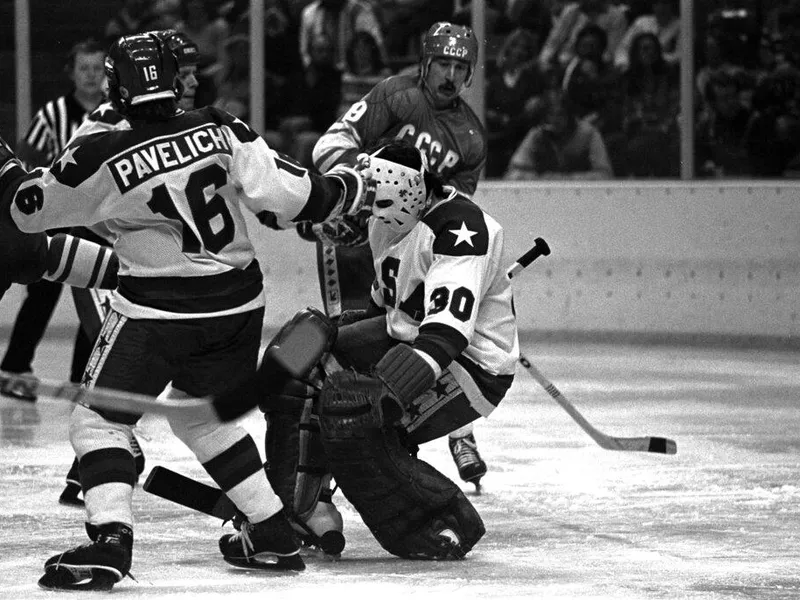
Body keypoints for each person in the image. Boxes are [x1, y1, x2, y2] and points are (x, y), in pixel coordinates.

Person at [2, 32, 370, 590]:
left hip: (154, 308)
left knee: (97, 419)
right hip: (239, 303)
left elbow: (28, 214)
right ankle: (271, 530)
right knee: (199, 415)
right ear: (174, 81)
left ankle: (110, 540)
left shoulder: (98, 145)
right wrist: (345, 188)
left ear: (116, 85)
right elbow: (293, 196)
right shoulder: (220, 125)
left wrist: (3, 164)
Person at [264, 139, 518, 560]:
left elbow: (446, 336)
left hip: (473, 366)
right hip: (409, 337)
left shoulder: (463, 230)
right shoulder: (387, 220)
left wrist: (383, 392)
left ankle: (441, 520)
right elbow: (387, 312)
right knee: (297, 362)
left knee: (355, 417)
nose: (366, 213)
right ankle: (296, 504)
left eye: (375, 202)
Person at [307, 21, 491, 488]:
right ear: (426, 64)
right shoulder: (394, 95)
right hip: (356, 240)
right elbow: (332, 144)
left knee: (427, 331)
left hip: (410, 247)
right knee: (343, 349)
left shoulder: (470, 136)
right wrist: (355, 195)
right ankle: (328, 462)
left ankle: (456, 429)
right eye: (443, 64)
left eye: (460, 67)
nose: (450, 75)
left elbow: (456, 208)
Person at [56, 29, 201, 509]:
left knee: (122, 374)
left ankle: (92, 469)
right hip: (107, 261)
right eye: (185, 71)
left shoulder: (181, 121)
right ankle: (110, 462)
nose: (194, 80)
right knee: (118, 377)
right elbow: (66, 187)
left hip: (147, 270)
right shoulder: (108, 122)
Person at [0, 39, 106, 403]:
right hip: (55, 220)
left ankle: (83, 378)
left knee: (97, 299)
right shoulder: (53, 114)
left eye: (97, 68)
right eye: (84, 68)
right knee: (42, 294)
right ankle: (15, 366)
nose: (91, 76)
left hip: (99, 221)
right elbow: (24, 166)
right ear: (71, 73)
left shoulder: (116, 114)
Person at [504, 89, 613, 180]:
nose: (555, 120)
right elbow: (513, 173)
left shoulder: (588, 134)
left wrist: (567, 179)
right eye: (549, 115)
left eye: (560, 114)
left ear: (569, 115)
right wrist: (540, 178)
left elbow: (605, 175)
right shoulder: (537, 135)